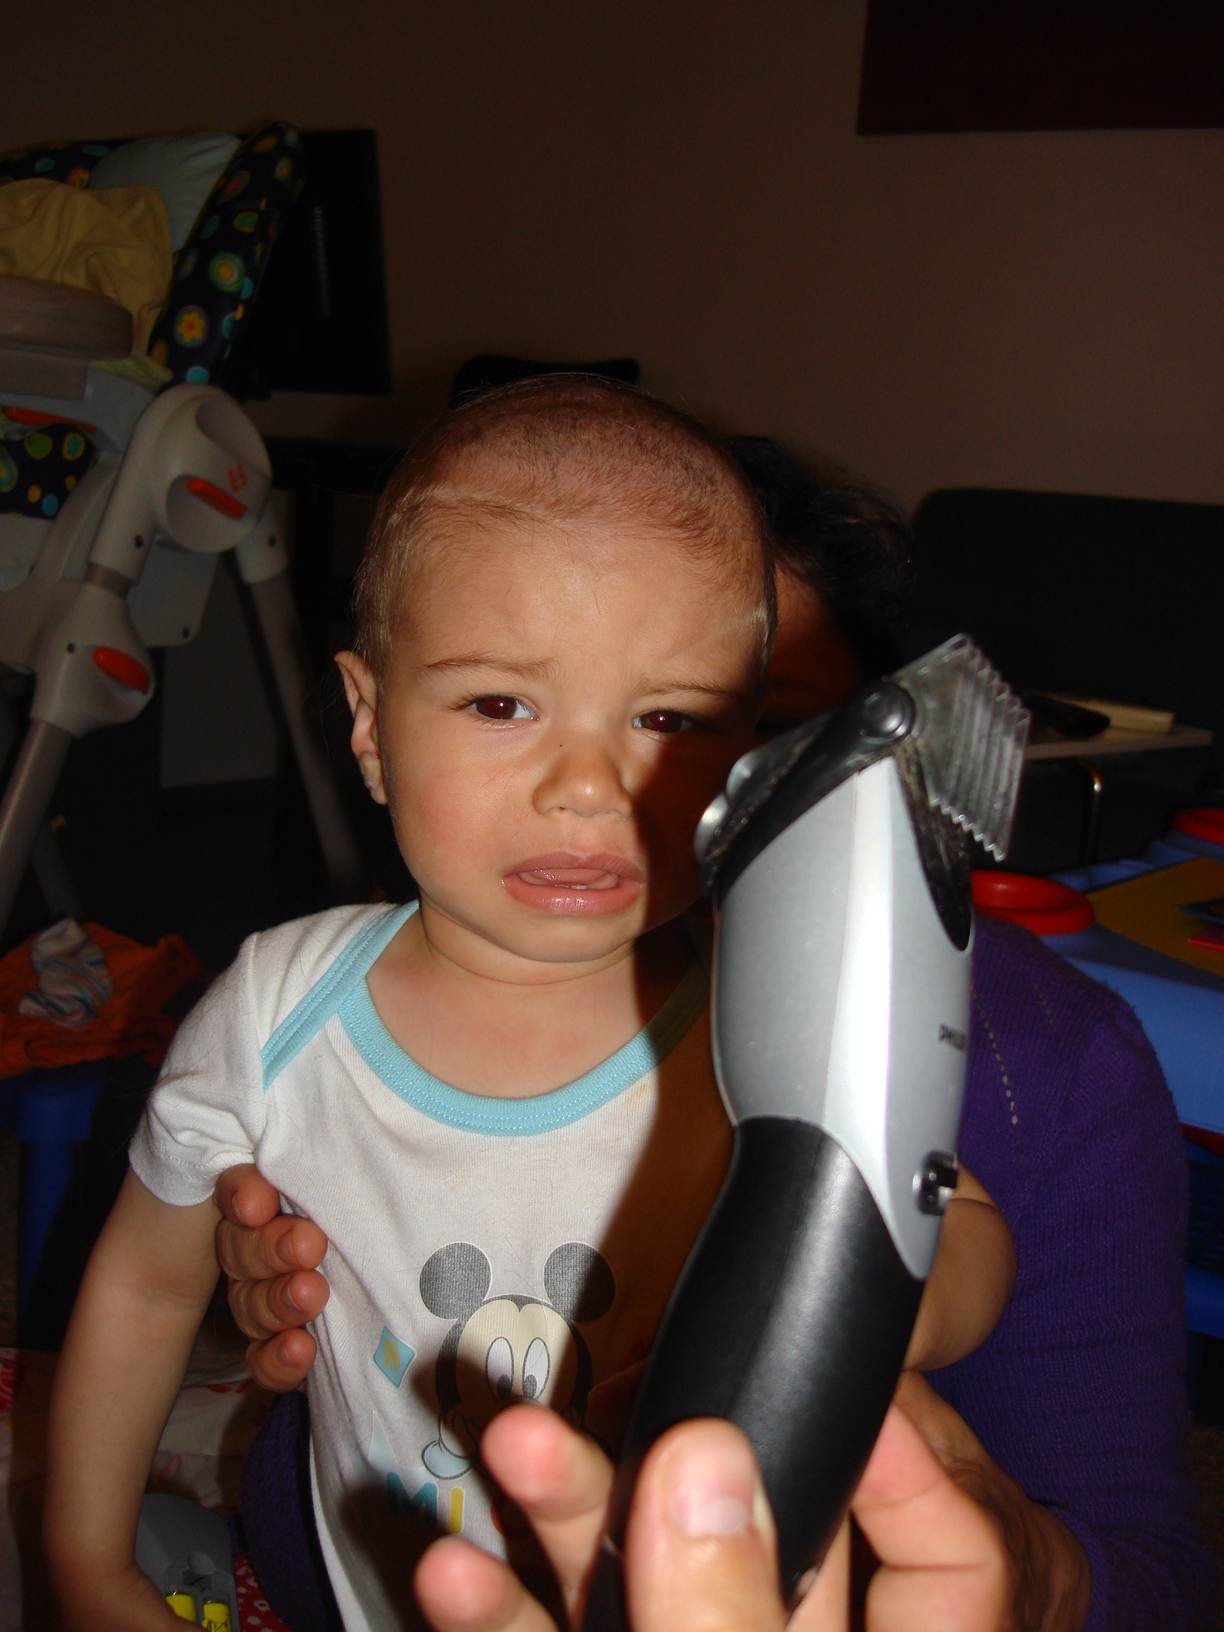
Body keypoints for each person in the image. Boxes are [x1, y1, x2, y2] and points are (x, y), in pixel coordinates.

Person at [41, 385, 1014, 1632]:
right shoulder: (276, 1014)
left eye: (668, 719)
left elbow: (955, 1224)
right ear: (368, 723)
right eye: (502, 704)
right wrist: (89, 1560)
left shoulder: (763, 1009)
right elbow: (143, 1287)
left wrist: (876, 1305)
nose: (589, 785)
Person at [220, 435, 1217, 1631]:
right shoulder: (414, 970)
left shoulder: (1044, 1064)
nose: (607, 796)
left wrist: (1027, 1573)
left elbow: (1156, 1579)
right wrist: (334, 1317)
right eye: (511, 707)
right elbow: (314, 1498)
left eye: (700, 727)